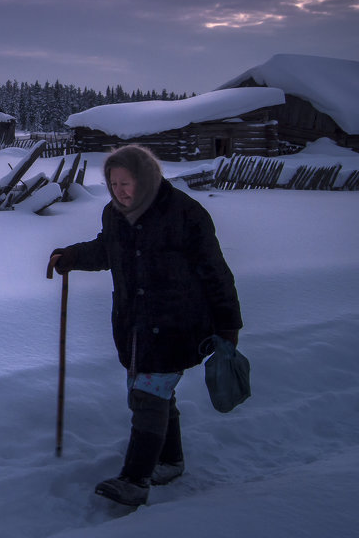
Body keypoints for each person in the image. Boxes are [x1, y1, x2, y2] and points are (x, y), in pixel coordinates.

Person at [49, 144, 243, 507]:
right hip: (134, 324)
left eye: (128, 183)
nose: (121, 191)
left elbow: (215, 271)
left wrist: (228, 324)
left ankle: (134, 480)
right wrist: (73, 256)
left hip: (177, 323)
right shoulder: (114, 214)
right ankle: (170, 461)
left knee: (147, 396)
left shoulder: (184, 213)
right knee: (154, 393)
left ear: (148, 177)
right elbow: (107, 249)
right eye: (114, 183)